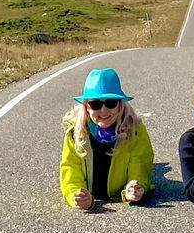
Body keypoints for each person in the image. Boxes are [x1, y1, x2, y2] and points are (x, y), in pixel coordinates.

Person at [59, 67, 154, 209]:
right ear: (86, 107)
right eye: (95, 104)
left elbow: (141, 163)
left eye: (110, 102)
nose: (103, 111)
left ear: (120, 104)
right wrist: (75, 195)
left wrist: (135, 187)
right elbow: (70, 167)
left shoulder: (135, 130)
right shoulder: (75, 132)